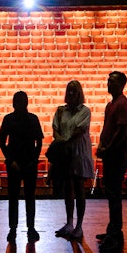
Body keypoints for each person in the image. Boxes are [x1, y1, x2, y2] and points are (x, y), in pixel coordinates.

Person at [0, 91, 44, 243]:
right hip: (21, 163)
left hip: (20, 163)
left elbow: (3, 143)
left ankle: (17, 229)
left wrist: (12, 160)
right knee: (24, 197)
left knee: (18, 197)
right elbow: (39, 142)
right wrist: (30, 160)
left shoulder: (11, 119)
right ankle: (24, 228)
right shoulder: (30, 119)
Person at [95, 71, 127, 253]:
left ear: (121, 85)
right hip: (111, 155)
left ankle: (115, 235)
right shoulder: (111, 105)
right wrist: (102, 145)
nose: (108, 84)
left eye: (112, 81)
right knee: (111, 193)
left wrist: (107, 148)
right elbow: (107, 129)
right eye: (108, 80)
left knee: (114, 194)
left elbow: (121, 133)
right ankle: (113, 231)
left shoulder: (123, 104)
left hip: (117, 156)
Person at [51, 79, 94, 241]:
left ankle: (79, 225)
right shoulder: (61, 111)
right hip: (65, 153)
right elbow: (55, 128)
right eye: (69, 90)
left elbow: (79, 130)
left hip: (78, 152)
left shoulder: (85, 111)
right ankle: (69, 222)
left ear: (79, 93)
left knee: (79, 188)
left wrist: (65, 141)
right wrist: (62, 142)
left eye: (74, 91)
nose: (71, 93)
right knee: (68, 188)